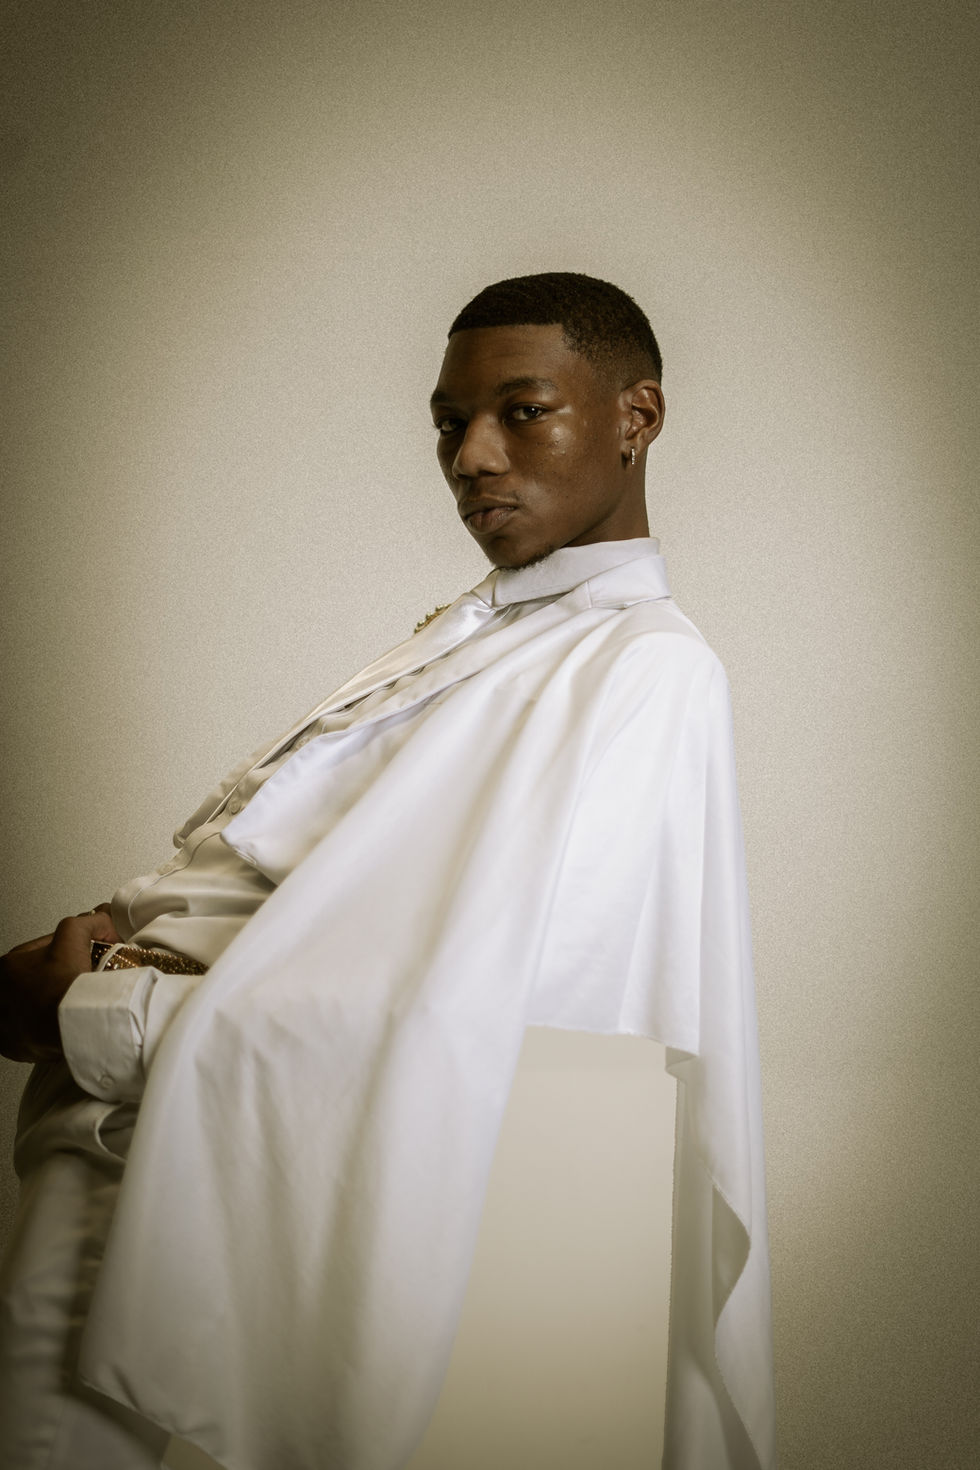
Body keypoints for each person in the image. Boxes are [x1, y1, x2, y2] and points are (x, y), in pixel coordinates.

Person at [0, 273, 775, 1470]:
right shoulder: (470, 635)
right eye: (445, 423)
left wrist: (94, 1010)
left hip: (184, 1151)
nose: (469, 457)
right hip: (137, 1127)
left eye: (521, 412)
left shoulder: (646, 671)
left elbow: (511, 1019)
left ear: (637, 416)